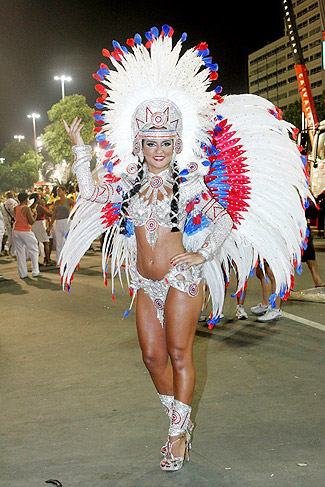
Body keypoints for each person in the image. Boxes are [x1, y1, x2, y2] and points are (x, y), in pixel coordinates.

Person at [59, 25, 311, 471]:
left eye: (166, 142)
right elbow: (90, 195)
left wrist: (200, 255)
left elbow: (223, 218)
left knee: (178, 353)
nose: (158, 150)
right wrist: (81, 150)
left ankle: (177, 435)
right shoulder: (125, 183)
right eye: (151, 142)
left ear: (177, 142)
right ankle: (179, 418)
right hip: (144, 282)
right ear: (140, 143)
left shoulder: (189, 180)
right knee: (151, 356)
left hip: (180, 278)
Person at [12, 193, 39, 278]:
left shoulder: (15, 208)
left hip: (16, 230)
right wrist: (35, 214)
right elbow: (31, 221)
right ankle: (35, 271)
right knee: (34, 250)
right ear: (26, 199)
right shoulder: (26, 209)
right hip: (25, 231)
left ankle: (23, 273)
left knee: (20, 253)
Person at [48, 185, 74, 266]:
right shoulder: (56, 202)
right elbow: (54, 215)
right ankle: (59, 262)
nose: (58, 192)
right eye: (57, 191)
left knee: (67, 241)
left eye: (59, 190)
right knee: (58, 243)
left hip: (66, 222)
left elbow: (78, 206)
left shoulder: (69, 200)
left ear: (64, 191)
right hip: (58, 222)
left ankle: (68, 260)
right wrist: (50, 226)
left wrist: (74, 215)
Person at [30, 193, 53, 265]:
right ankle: (47, 260)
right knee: (46, 242)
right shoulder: (39, 207)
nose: (40, 199)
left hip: (33, 225)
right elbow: (49, 214)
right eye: (39, 198)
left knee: (36, 243)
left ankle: (36, 262)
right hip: (40, 224)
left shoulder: (30, 206)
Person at [2, 191, 17, 256]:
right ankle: (12, 251)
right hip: (13, 221)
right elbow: (15, 212)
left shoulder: (4, 203)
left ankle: (7, 247)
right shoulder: (14, 202)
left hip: (6, 221)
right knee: (14, 236)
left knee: (9, 235)